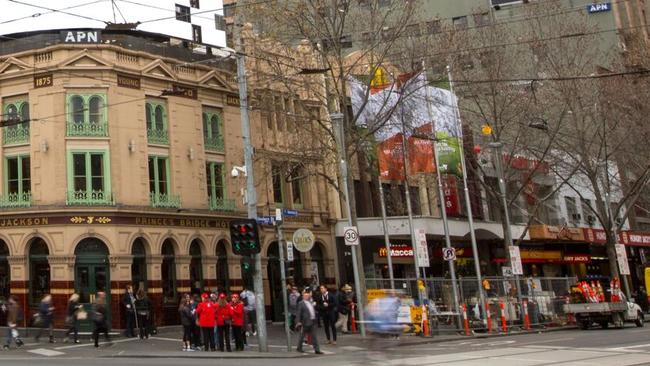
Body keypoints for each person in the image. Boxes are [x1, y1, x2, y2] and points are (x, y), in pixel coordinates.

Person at [296, 289, 322, 354]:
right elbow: (298, 313)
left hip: (312, 321)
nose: (307, 297)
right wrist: (298, 321)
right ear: (303, 296)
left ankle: (317, 349)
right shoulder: (301, 303)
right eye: (305, 296)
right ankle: (299, 348)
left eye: (308, 296)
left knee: (314, 336)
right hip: (304, 322)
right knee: (302, 336)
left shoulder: (310, 302)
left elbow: (313, 310)